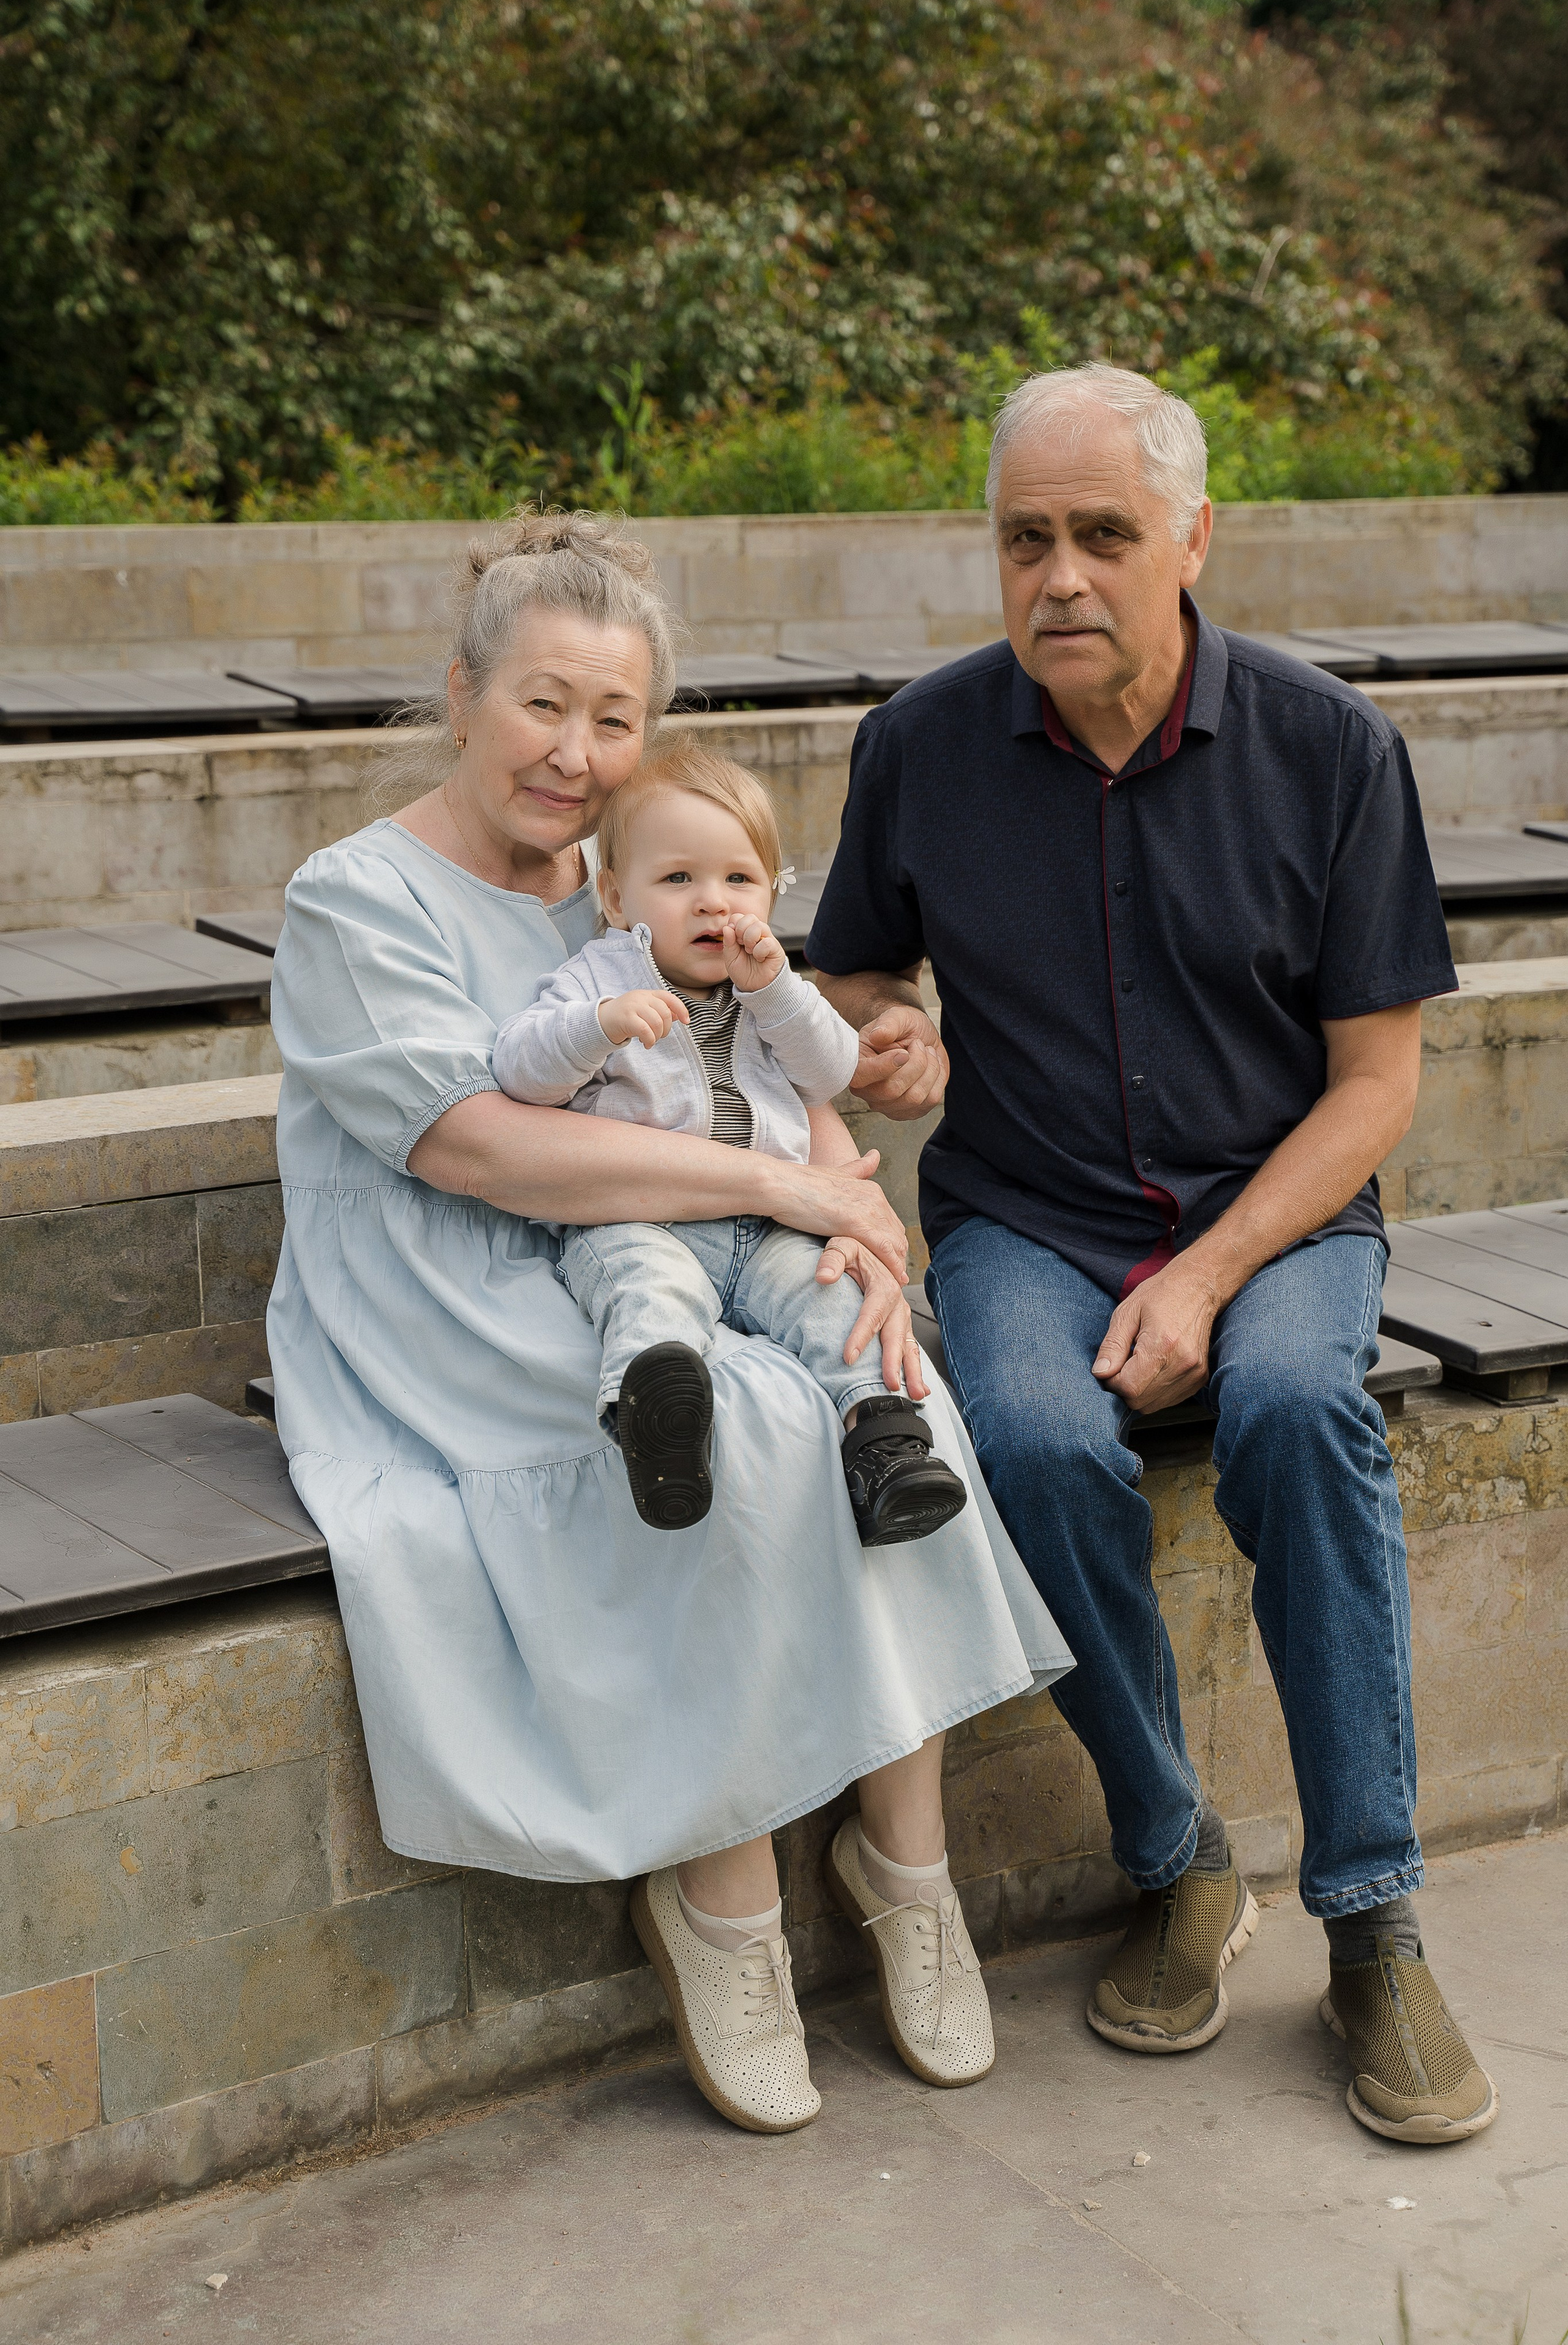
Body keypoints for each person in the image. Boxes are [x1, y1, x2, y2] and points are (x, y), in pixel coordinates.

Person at [266, 505, 1072, 2140]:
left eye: (613, 719)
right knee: (735, 1429)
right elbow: (480, 1147)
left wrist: (850, 1191)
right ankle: (729, 1904)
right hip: (456, 1286)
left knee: (877, 1374)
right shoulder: (355, 899)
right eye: (543, 704)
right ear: (462, 692)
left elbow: (759, 1068)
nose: (574, 752)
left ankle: (905, 1868)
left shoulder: (634, 877)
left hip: (669, 1241)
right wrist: (789, 1199)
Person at [810, 365, 1499, 2146]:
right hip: (1027, 1211)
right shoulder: (922, 748)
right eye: (1026, 539)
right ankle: (1178, 1855)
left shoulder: (1333, 750)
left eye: (1103, 536)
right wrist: (879, 1036)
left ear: (1191, 538)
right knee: (1026, 1440)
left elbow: (1375, 1088)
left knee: (1295, 1413)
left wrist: (1201, 1278)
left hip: (1274, 1214)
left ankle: (1371, 1919)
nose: (1060, 578)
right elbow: (854, 979)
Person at [492, 741, 969, 1546]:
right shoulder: (599, 981)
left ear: (770, 892)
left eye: (737, 880)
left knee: (831, 1303)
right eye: (679, 880)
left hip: (766, 1228)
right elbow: (520, 1069)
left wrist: (778, 989)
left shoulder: (767, 986)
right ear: (616, 895)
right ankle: (664, 1424)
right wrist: (595, 1030)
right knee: (649, 1296)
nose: (713, 903)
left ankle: (883, 1439)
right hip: (635, 1220)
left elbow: (833, 1069)